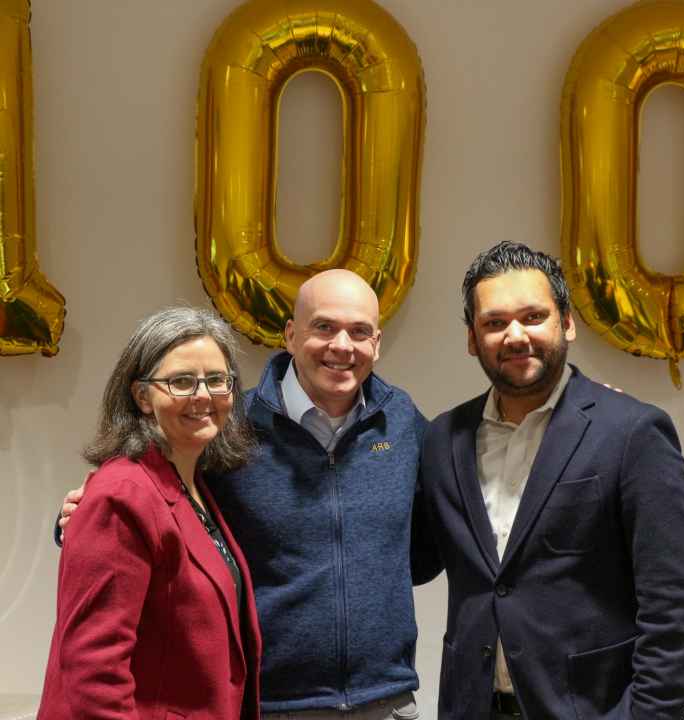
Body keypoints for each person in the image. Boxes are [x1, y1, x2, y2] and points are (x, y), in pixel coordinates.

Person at [58, 270, 435, 719]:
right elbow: (150, 497)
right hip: (269, 704)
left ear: (376, 342)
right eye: (324, 327)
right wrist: (74, 518)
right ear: (291, 335)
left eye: (359, 332)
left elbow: (435, 533)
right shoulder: (228, 424)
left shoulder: (402, 420)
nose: (342, 346)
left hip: (387, 701)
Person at [417, 241, 684, 719]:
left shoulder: (631, 431)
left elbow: (673, 605)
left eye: (533, 316)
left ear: (566, 323)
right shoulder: (443, 439)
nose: (515, 335)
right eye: (494, 322)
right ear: (472, 338)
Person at [41, 307, 262, 720]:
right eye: (181, 381)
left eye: (217, 380)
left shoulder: (193, 484)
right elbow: (94, 674)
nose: (203, 395)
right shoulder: (122, 496)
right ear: (142, 396)